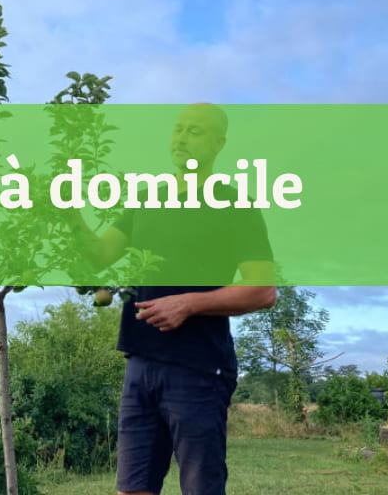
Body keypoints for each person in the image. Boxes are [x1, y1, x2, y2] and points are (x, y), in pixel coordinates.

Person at [68, 103, 276, 495]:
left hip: (198, 367)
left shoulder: (236, 205)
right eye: (178, 129)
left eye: (194, 131)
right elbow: (97, 255)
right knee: (133, 489)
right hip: (139, 361)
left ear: (219, 143)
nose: (181, 138)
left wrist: (188, 303)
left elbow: (263, 290)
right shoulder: (145, 200)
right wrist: (67, 212)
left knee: (200, 488)